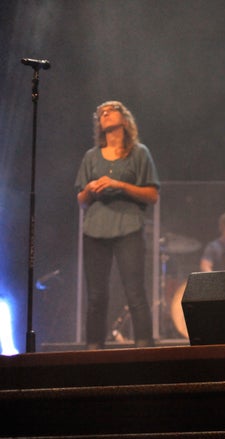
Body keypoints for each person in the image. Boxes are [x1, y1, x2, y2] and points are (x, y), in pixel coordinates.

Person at [75, 101, 159, 350]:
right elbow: (81, 201)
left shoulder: (139, 152)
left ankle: (145, 348)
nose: (105, 114)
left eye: (111, 110)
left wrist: (119, 185)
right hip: (95, 231)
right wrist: (90, 190)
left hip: (128, 229)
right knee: (96, 296)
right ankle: (93, 350)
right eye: (101, 113)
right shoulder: (91, 156)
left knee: (135, 292)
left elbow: (152, 195)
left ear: (124, 119)